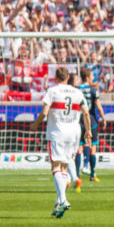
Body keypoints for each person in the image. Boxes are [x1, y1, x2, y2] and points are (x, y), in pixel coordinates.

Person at [30, 67, 91, 219]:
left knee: (56, 166)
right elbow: (86, 112)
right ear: (68, 77)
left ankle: (63, 200)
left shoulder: (53, 91)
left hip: (57, 132)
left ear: (55, 77)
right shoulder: (77, 92)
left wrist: (36, 124)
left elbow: (44, 112)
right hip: (73, 133)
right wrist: (88, 131)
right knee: (64, 167)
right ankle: (58, 203)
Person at [77, 67, 107, 182]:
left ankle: (77, 176)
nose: (93, 78)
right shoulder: (93, 90)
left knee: (79, 147)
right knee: (93, 146)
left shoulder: (76, 89)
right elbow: (99, 107)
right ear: (88, 78)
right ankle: (92, 174)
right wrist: (103, 118)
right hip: (92, 120)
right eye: (92, 76)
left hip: (79, 121)